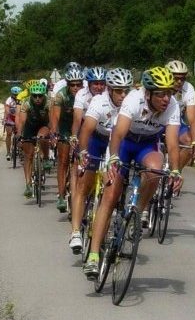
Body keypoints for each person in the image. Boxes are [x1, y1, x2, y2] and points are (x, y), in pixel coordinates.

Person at [83, 66, 183, 279]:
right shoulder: (133, 100)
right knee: (110, 196)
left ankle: (137, 211)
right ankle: (93, 256)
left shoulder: (172, 105)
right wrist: (113, 159)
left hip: (147, 145)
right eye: (160, 94)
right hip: (124, 144)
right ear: (148, 93)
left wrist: (175, 170)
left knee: (156, 170)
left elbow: (172, 143)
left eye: (169, 92)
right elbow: (118, 134)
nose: (166, 98)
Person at [66, 67, 130, 253]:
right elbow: (85, 129)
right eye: (118, 90)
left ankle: (105, 231)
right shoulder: (98, 101)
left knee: (110, 185)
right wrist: (83, 153)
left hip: (116, 142)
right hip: (96, 139)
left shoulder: (130, 103)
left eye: (125, 90)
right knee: (84, 184)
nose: (123, 94)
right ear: (109, 90)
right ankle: (76, 232)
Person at [50, 68, 84, 212]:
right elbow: (55, 117)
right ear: (68, 84)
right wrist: (55, 133)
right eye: (73, 85)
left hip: (80, 127)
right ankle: (61, 196)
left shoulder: (86, 94)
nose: (76, 87)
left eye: (79, 84)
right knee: (63, 160)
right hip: (65, 127)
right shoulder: (61, 95)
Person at [16, 80, 53, 198]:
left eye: (40, 96)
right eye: (35, 96)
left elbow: (53, 120)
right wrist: (19, 135)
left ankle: (46, 158)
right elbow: (22, 121)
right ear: (31, 95)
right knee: (28, 156)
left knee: (42, 137)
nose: (37, 98)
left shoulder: (49, 102)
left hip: (43, 125)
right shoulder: (26, 103)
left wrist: (52, 133)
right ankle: (28, 185)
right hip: (30, 126)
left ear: (44, 95)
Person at [166, 60, 195, 163]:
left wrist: (194, 141)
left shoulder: (188, 88)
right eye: (176, 78)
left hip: (176, 121)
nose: (179, 82)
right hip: (158, 120)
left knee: (189, 142)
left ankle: (175, 173)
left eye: (182, 78)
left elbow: (192, 119)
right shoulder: (161, 86)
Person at [3, 85, 21, 160]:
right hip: (10, 117)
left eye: (17, 95)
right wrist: (5, 119)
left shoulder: (22, 99)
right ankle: (8, 152)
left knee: (20, 133)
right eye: (14, 95)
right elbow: (7, 110)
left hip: (19, 117)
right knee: (9, 133)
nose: (16, 96)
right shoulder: (9, 100)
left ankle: (21, 148)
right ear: (11, 94)